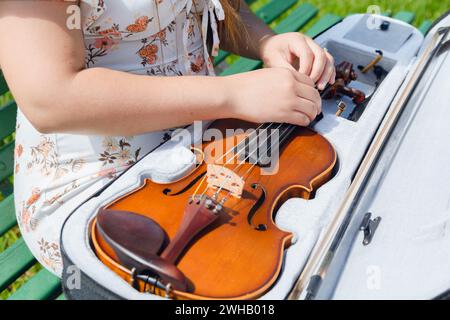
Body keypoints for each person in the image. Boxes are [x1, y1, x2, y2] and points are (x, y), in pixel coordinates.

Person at [0, 0, 335, 276]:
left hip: (205, 141)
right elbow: (52, 99)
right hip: (97, 183)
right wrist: (233, 94)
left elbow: (210, 8)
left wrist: (265, 42)